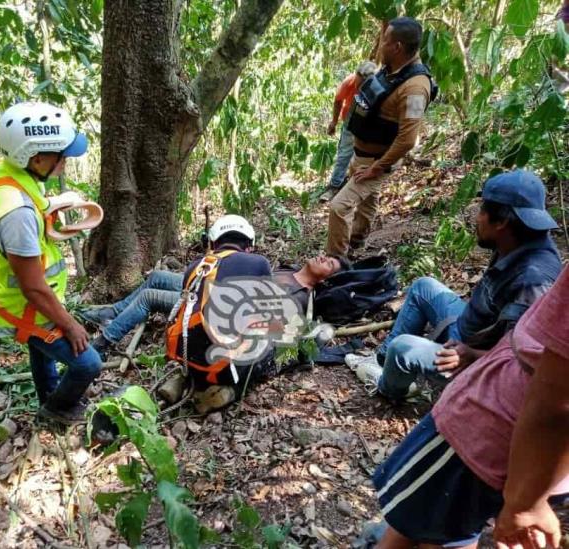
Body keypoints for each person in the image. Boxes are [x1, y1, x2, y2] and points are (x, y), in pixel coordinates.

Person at [366, 263, 569, 549]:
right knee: (422, 523)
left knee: (437, 527)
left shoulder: (532, 278)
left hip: (486, 431)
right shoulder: (511, 257)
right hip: (502, 412)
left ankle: (385, 379)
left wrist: (525, 502)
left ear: (501, 223)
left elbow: (557, 403)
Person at [347, 170, 562, 401]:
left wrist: (471, 355)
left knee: (402, 349)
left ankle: (388, 388)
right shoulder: (517, 238)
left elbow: (519, 362)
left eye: (482, 210)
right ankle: (381, 359)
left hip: (476, 363)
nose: (476, 218)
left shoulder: (532, 281)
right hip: (468, 331)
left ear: (502, 222)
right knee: (424, 287)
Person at [0, 102, 103, 425]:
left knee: (40, 346)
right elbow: (33, 289)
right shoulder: (17, 216)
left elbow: (22, 206)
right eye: (60, 154)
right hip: (19, 304)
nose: (64, 161)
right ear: (35, 157)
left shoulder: (1, 174)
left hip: (12, 297)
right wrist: (70, 325)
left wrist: (53, 204)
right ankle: (55, 409)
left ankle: (49, 397)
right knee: (88, 363)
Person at [81, 251, 348, 355]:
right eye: (326, 255)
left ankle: (104, 341)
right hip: (217, 285)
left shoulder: (299, 297)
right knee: (161, 277)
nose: (323, 258)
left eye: (330, 264)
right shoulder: (287, 270)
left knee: (151, 298)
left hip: (217, 308)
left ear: (327, 280)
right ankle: (112, 313)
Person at [326, 17, 436, 256]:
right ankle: (356, 241)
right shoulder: (391, 70)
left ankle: (336, 261)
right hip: (362, 154)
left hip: (376, 161)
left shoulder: (415, 88)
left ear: (397, 46)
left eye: (384, 40)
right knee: (368, 200)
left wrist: (378, 167)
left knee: (339, 206)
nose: (380, 45)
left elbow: (408, 138)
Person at [322, 61, 378, 201]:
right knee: (345, 153)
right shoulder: (349, 82)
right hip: (350, 119)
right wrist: (334, 122)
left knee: (364, 155)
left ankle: (357, 184)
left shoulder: (377, 85)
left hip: (368, 121)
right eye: (358, 83)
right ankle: (335, 185)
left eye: (362, 84)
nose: (359, 87)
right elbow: (338, 100)